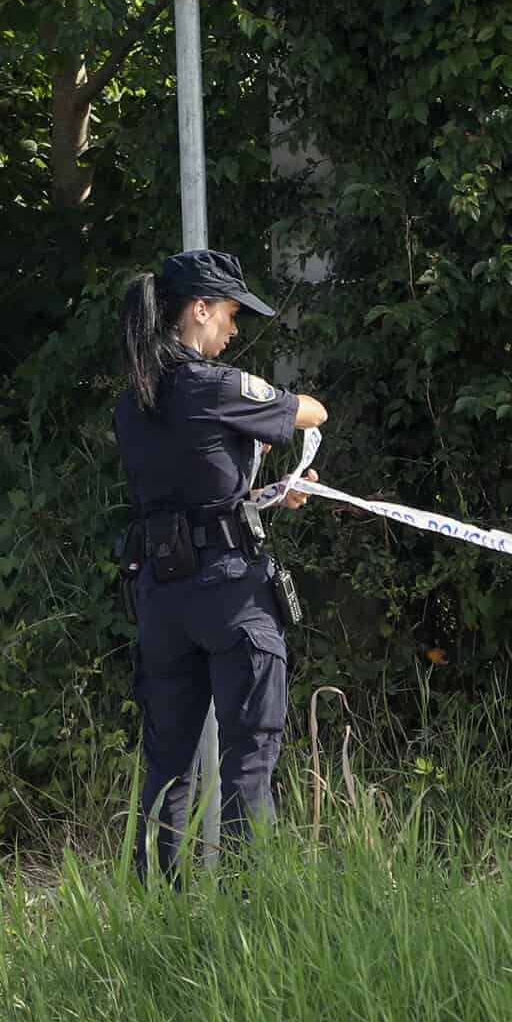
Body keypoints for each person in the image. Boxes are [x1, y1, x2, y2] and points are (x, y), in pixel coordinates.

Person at [114, 248, 328, 879]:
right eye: (231, 314)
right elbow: (310, 410)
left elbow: (198, 483)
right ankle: (248, 915)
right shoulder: (214, 385)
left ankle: (156, 917)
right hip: (229, 592)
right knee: (249, 757)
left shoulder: (134, 402)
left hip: (160, 595)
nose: (234, 331)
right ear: (198, 310)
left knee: (167, 766)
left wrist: (266, 493)